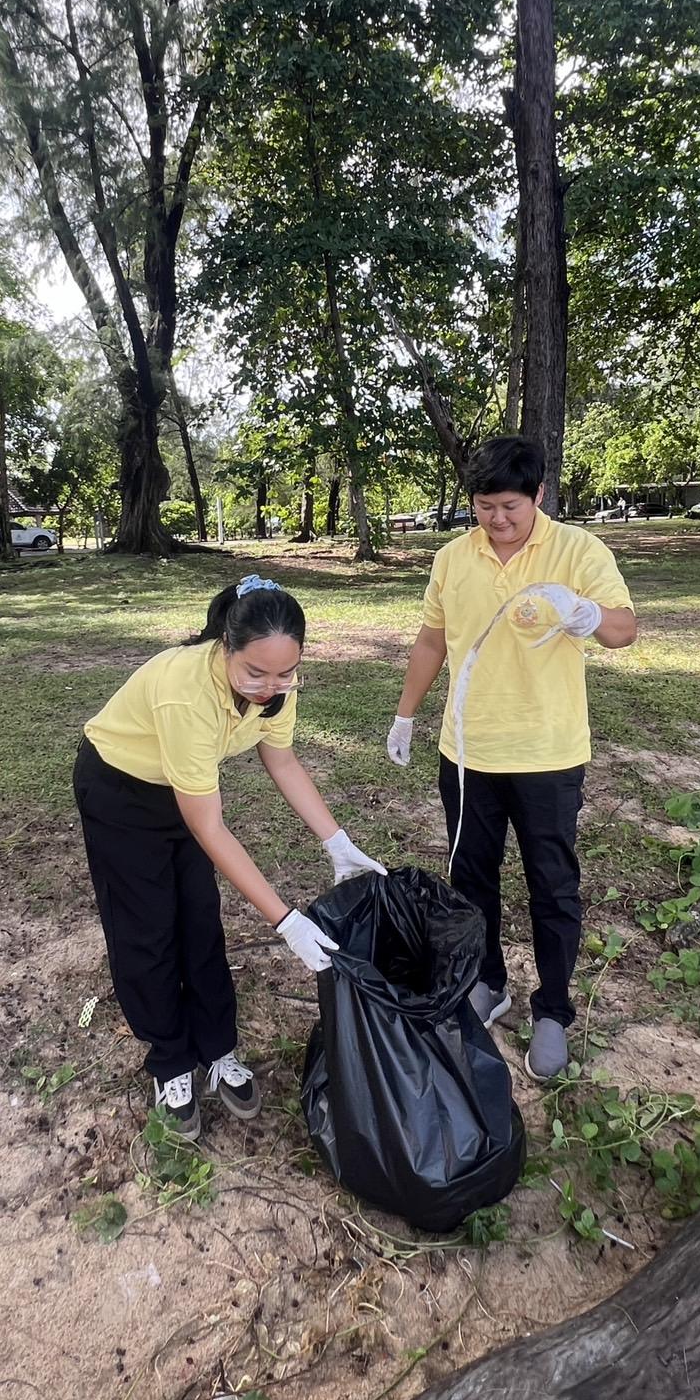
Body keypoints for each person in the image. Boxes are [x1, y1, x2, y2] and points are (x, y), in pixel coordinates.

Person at [74, 575, 386, 1139]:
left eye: (285, 672)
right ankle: (170, 1061)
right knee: (146, 929)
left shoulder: (280, 684)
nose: (271, 686)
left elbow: (283, 761)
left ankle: (217, 1050)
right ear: (225, 647)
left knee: (198, 919)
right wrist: (286, 920)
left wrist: (336, 842)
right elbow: (210, 825)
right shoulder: (186, 692)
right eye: (256, 673)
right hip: (121, 791)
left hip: (184, 790)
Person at [387, 436, 636, 1082]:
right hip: (468, 753)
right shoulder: (452, 557)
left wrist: (585, 613)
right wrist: (406, 712)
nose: (497, 520)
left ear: (539, 496)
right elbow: (432, 639)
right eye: (484, 506)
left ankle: (553, 1009)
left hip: (548, 754)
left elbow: (625, 628)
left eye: (510, 507)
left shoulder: (578, 550)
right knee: (471, 879)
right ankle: (486, 981)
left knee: (552, 884)